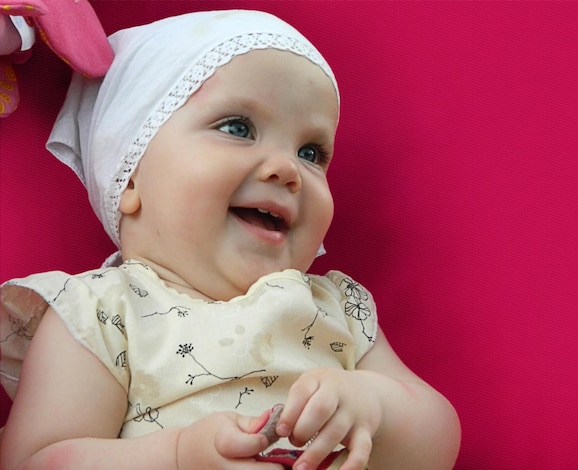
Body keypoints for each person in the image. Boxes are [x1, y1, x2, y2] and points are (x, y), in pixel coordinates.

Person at [0, 10, 461, 470]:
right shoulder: (102, 311)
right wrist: (178, 457)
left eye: (311, 153)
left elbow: (437, 441)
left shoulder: (334, 306)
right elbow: (35, 460)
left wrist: (375, 405)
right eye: (238, 128)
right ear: (131, 176)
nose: (288, 170)